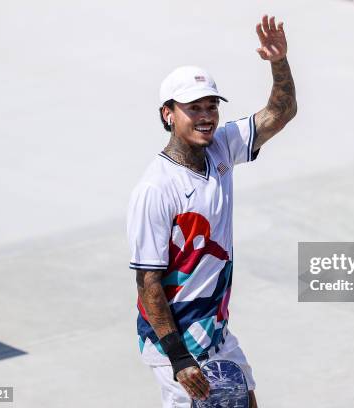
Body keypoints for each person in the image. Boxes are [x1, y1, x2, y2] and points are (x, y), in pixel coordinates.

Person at [126, 15, 297, 408]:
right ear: (168, 113)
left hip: (217, 334)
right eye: (193, 108)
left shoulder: (221, 147)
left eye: (210, 106)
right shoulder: (155, 190)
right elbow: (148, 283)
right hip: (179, 343)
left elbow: (280, 112)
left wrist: (279, 61)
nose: (206, 116)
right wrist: (180, 359)